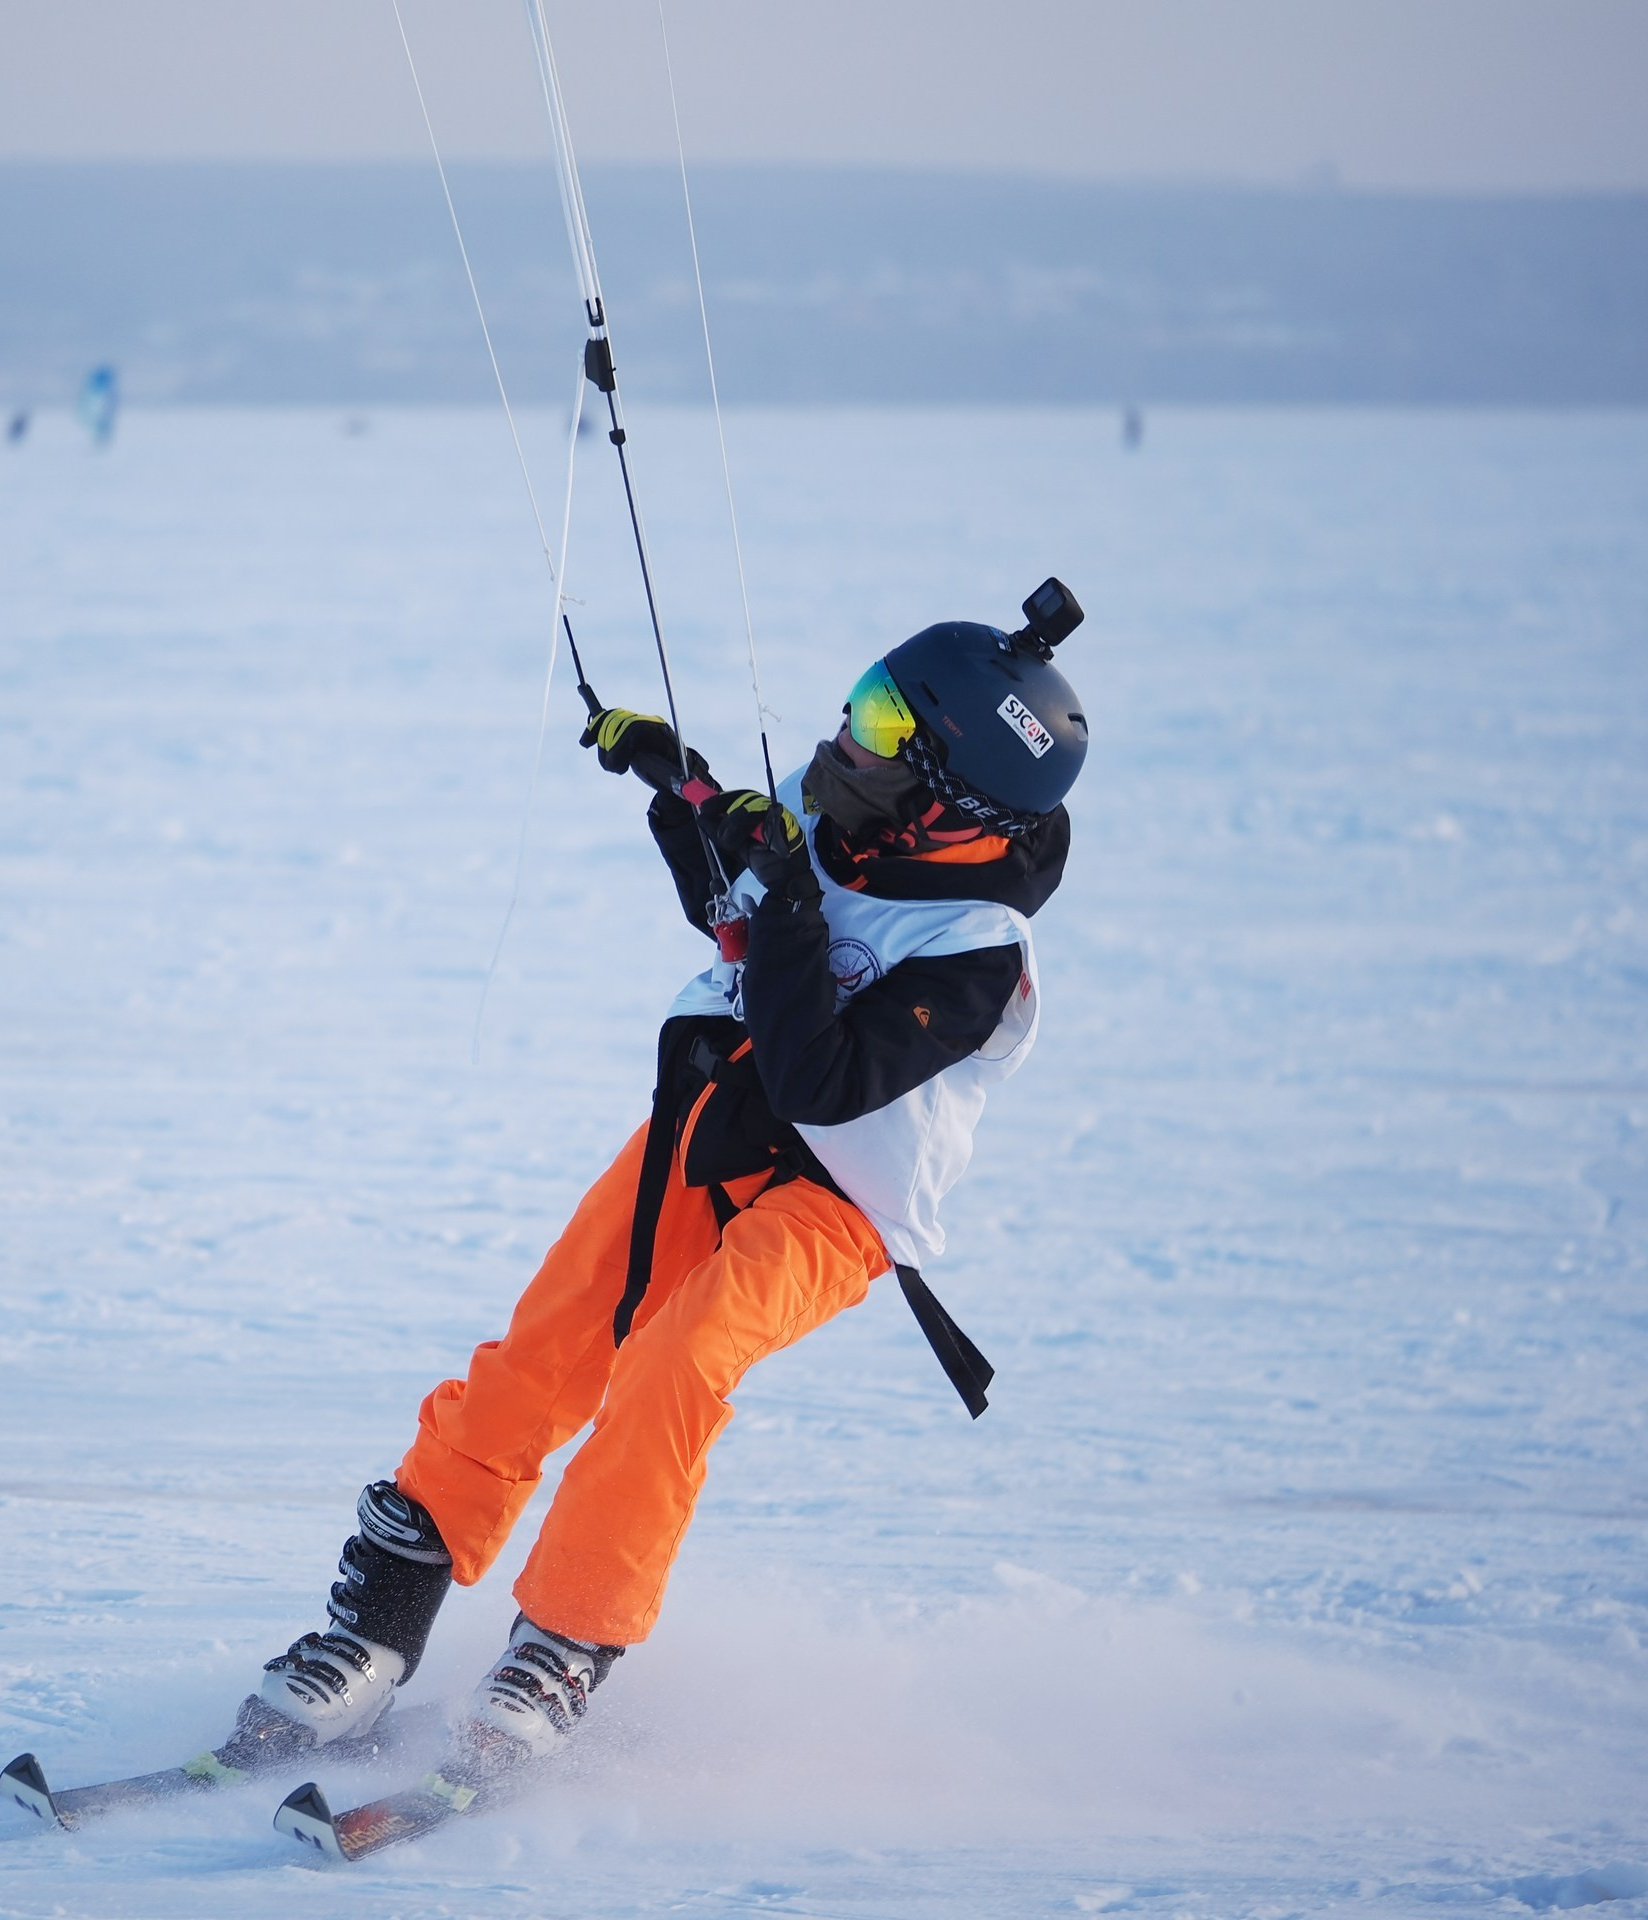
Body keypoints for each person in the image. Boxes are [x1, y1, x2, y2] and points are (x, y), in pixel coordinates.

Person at [254, 587, 1091, 1773]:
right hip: (706, 1129)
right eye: (865, 703)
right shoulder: (843, 811)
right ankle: (372, 1633)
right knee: (545, 1349)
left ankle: (560, 1650)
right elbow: (729, 906)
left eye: (888, 731)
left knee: (678, 1357)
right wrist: (679, 784)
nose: (851, 735)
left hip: (834, 1202)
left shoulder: (976, 952)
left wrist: (787, 890)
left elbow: (822, 1076)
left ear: (950, 797)